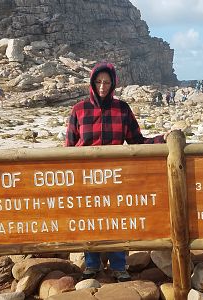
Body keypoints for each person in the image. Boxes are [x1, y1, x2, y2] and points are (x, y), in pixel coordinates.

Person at [65, 62, 167, 282]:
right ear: (92, 83)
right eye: (99, 82)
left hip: (115, 176)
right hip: (87, 177)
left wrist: (162, 139)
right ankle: (91, 265)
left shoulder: (122, 109)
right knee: (90, 219)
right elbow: (69, 147)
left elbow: (137, 141)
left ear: (113, 85)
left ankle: (119, 266)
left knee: (117, 219)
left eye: (107, 82)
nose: (102, 86)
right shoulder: (79, 110)